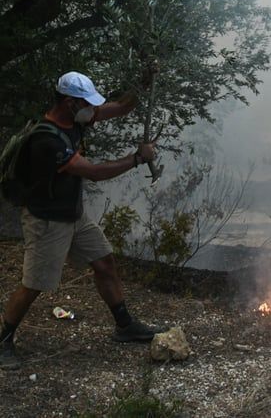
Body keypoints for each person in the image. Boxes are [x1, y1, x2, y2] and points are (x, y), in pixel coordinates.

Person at [0, 71, 163, 371]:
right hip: (47, 221)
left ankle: (125, 326)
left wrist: (143, 81)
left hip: (74, 215)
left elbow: (121, 107)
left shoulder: (77, 118)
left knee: (104, 262)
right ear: (69, 102)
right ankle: (4, 340)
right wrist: (137, 159)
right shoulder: (47, 140)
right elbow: (93, 171)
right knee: (34, 284)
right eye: (86, 103)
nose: (92, 110)